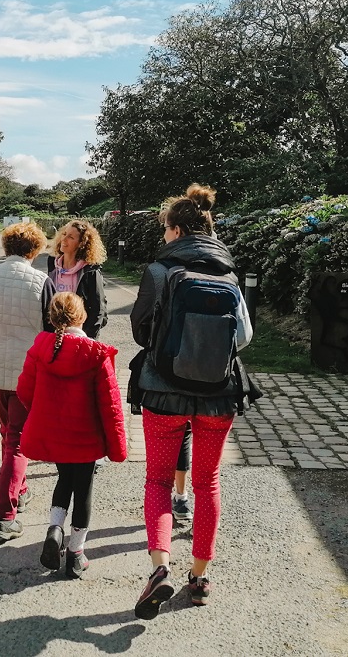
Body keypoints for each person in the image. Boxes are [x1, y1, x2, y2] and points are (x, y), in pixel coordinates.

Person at [128, 184, 259, 619]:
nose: (164, 236)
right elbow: (243, 337)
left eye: (166, 229)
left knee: (158, 482)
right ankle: (200, 577)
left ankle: (160, 568)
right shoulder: (228, 272)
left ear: (178, 228)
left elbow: (141, 330)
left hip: (163, 390)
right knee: (207, 483)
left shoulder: (159, 270)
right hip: (219, 394)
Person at [17, 292, 127, 580]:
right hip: (86, 438)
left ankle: (55, 529)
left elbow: (24, 391)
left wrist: (45, 412)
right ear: (82, 317)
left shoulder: (40, 348)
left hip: (55, 434)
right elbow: (111, 406)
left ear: (51, 318)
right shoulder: (95, 353)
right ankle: (76, 553)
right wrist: (116, 447)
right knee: (84, 489)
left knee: (64, 480)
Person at [0, 221, 56, 542]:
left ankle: (21, 488)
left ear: (6, 246)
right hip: (26, 373)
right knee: (16, 442)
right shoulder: (42, 281)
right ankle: (5, 515)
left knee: (8, 433)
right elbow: (51, 330)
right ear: (35, 249)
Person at [46, 220, 108, 339]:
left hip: (81, 338)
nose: (64, 239)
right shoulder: (52, 264)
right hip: (55, 336)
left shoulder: (90, 271)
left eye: (71, 237)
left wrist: (87, 340)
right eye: (64, 234)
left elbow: (98, 311)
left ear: (81, 243)